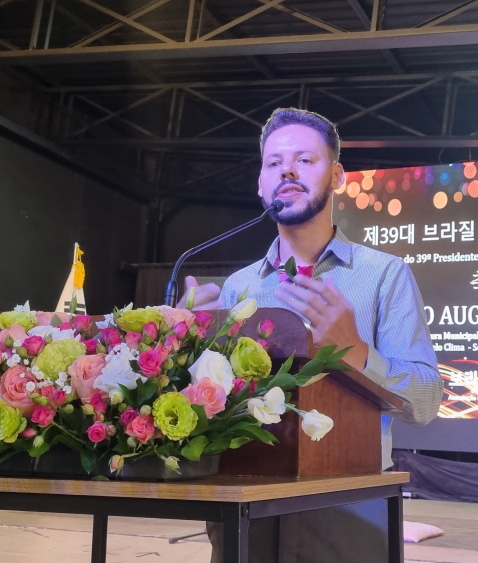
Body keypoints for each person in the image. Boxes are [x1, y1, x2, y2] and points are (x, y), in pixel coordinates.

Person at [184, 107, 442, 563]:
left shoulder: (385, 275)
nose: (287, 170)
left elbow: (425, 402)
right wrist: (188, 341)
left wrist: (356, 351)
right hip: (246, 500)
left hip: (349, 503)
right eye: (274, 163)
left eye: (304, 160)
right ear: (261, 184)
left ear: (337, 176)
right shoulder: (239, 287)